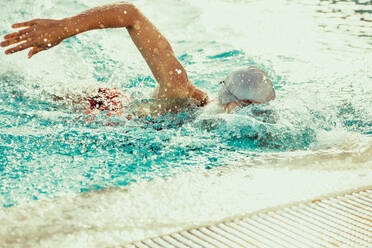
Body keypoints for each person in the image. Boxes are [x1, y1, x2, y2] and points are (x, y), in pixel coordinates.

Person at [0, 2, 275, 119]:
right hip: (103, 107)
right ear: (234, 104)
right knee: (16, 85)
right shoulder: (178, 88)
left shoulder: (209, 112)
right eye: (252, 111)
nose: (257, 119)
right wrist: (64, 27)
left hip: (130, 114)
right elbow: (130, 14)